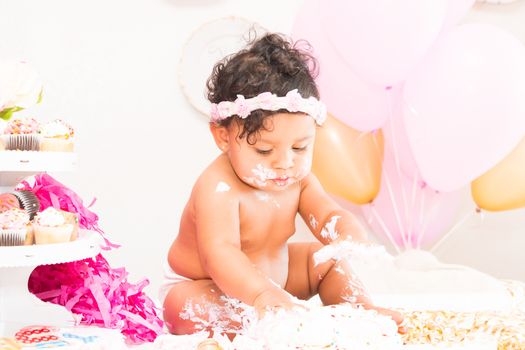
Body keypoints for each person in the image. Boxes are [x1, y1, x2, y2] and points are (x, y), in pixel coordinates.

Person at [161, 32, 403, 335]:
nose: (284, 163)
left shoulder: (297, 180)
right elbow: (219, 254)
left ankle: (358, 308)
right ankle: (270, 325)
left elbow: (326, 215)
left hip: (280, 279)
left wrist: (346, 232)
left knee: (325, 261)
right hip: (214, 285)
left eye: (300, 148)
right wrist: (261, 295)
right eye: (264, 150)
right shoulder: (218, 188)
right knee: (183, 306)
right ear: (223, 137)